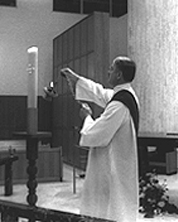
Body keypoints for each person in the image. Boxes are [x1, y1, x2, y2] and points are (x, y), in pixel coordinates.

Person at [60, 56, 140, 222]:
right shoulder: (126, 95)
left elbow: (95, 136)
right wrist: (77, 80)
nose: (108, 71)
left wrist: (87, 118)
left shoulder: (119, 105)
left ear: (119, 75)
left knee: (109, 207)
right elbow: (101, 93)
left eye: (111, 69)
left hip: (111, 166)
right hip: (119, 163)